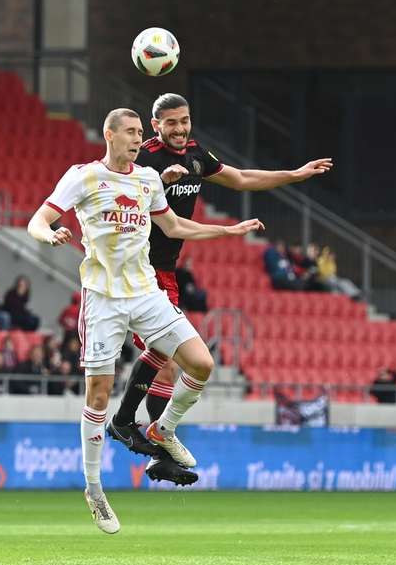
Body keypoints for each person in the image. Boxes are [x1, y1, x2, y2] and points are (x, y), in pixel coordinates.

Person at [27, 107, 264, 534]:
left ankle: (161, 428)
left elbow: (171, 227)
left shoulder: (149, 179)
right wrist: (52, 234)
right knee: (98, 393)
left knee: (202, 363)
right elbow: (38, 220)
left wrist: (224, 232)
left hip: (146, 293)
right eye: (131, 132)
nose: (137, 139)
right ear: (110, 134)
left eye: (140, 133)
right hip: (102, 300)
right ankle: (94, 488)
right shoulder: (83, 176)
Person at [107, 93, 331, 485]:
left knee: (168, 360)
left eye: (185, 120)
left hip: (166, 271)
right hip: (136, 269)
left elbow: (241, 178)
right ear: (155, 126)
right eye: (171, 123)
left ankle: (155, 447)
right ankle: (128, 426)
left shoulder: (195, 155)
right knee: (171, 357)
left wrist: (294, 174)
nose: (180, 129)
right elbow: (117, 199)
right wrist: (159, 181)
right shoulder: (143, 158)